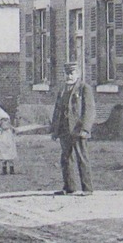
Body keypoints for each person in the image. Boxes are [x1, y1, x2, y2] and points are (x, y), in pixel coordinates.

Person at [49, 62, 95, 195]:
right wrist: (54, 130)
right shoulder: (62, 90)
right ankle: (69, 187)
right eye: (67, 73)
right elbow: (57, 110)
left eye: (72, 73)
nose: (69, 76)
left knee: (82, 157)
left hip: (78, 130)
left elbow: (89, 110)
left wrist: (85, 128)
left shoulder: (84, 88)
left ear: (78, 74)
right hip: (64, 129)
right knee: (66, 158)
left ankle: (87, 189)